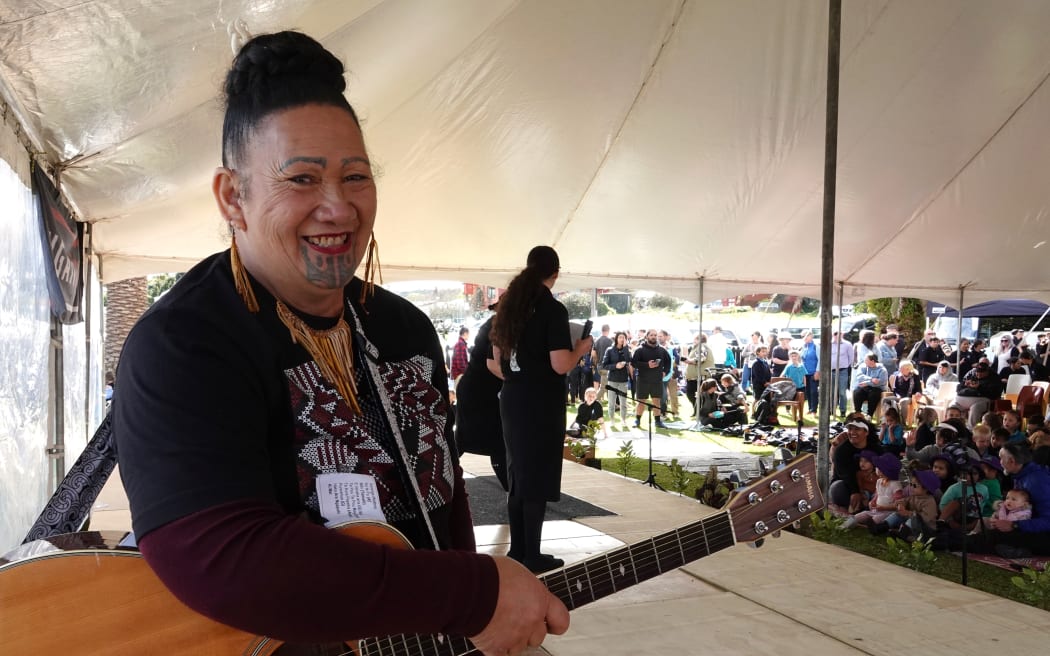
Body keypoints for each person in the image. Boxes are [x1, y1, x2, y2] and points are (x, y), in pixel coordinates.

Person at [113, 31, 566, 655]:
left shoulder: (403, 328)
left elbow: (445, 494)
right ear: (232, 196)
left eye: (356, 176)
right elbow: (221, 557)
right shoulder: (184, 344)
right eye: (301, 179)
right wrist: (470, 594)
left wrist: (471, 621)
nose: (338, 207)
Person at [491, 245, 593, 575]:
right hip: (539, 401)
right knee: (534, 476)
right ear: (555, 272)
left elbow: (497, 357)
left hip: (512, 397)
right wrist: (581, 347)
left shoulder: (509, 305)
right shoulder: (551, 309)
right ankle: (531, 553)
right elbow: (560, 363)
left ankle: (519, 549)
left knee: (518, 475)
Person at [455, 308, 509, 490]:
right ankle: (511, 488)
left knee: (465, 440)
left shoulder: (496, 323)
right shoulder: (500, 325)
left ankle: (443, 475)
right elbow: (493, 364)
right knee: (498, 441)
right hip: (480, 393)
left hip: (477, 390)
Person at [828, 420, 883, 513]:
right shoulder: (841, 450)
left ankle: (872, 507)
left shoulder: (875, 449)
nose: (852, 432)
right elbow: (845, 474)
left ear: (866, 432)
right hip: (848, 485)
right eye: (850, 429)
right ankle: (852, 508)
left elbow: (884, 469)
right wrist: (855, 491)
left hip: (872, 486)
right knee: (836, 488)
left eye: (857, 429)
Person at [630, 328, 671, 429]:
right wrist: (646, 365)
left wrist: (665, 371)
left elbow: (668, 362)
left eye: (655, 335)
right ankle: (637, 420)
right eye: (651, 335)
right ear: (647, 336)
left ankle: (657, 421)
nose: (653, 337)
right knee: (641, 401)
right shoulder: (640, 349)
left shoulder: (662, 350)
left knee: (656, 401)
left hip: (656, 380)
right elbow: (634, 363)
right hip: (642, 379)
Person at [601, 331, 632, 424]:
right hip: (612, 379)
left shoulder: (626, 349)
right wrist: (615, 366)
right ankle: (612, 420)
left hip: (623, 380)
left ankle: (623, 419)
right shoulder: (610, 350)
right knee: (611, 402)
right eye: (620, 337)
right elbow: (604, 365)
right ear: (616, 338)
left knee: (623, 402)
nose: (622, 339)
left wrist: (626, 347)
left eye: (624, 338)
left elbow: (629, 360)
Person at [828, 330, 855, 417]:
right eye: (835, 334)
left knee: (842, 392)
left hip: (843, 371)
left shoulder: (847, 344)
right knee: (831, 391)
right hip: (831, 371)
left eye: (839, 334)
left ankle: (843, 410)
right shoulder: (829, 344)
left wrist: (848, 367)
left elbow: (851, 357)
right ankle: (831, 409)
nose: (837, 336)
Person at [799, 329, 819, 414]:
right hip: (805, 373)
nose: (805, 338)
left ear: (811, 336)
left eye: (806, 335)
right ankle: (810, 408)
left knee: (814, 391)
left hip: (813, 372)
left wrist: (817, 371)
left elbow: (820, 359)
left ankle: (814, 409)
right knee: (807, 391)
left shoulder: (816, 346)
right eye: (803, 336)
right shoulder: (803, 347)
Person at [591, 324, 613, 397]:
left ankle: (614, 403)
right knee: (603, 387)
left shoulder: (597, 340)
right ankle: (593, 400)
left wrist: (597, 362)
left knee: (608, 386)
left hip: (599, 366)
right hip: (606, 366)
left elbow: (593, 354)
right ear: (608, 330)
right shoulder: (610, 341)